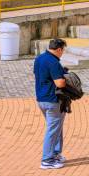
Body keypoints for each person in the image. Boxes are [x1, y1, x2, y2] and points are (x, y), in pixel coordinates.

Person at [34, 38, 68, 169]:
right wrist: (66, 78)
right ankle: (47, 160)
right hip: (53, 100)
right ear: (59, 49)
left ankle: (55, 153)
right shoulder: (53, 62)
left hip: (41, 99)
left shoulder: (39, 58)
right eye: (62, 50)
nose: (62, 53)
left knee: (56, 128)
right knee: (53, 130)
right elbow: (59, 83)